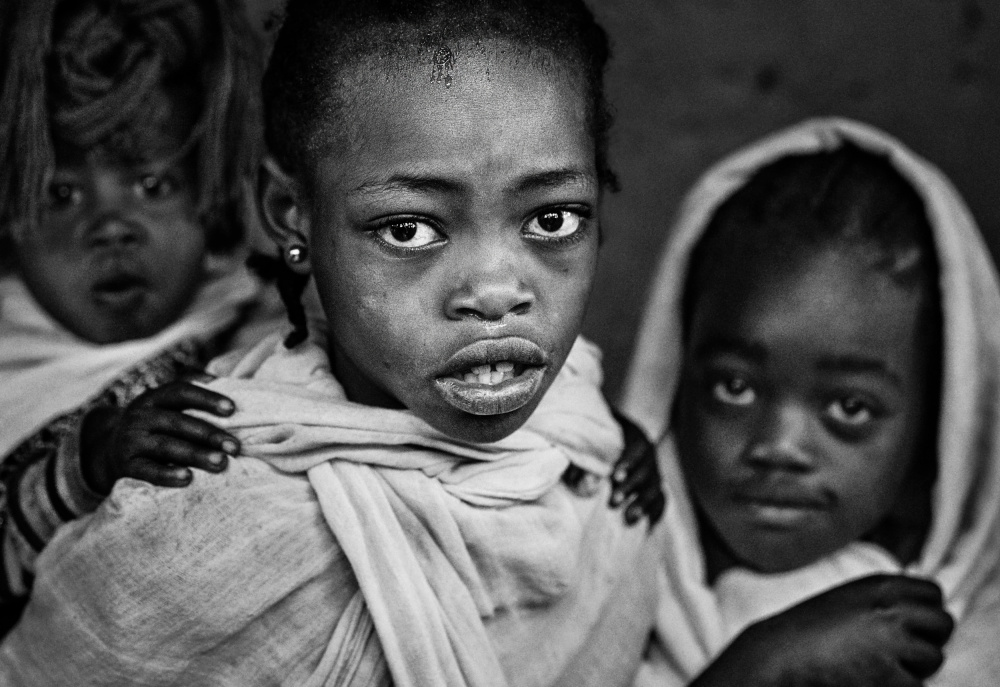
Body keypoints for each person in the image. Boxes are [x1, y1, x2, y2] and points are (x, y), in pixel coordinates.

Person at [0, 1, 664, 684]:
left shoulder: (590, 460)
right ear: (292, 217)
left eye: (551, 218)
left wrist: (605, 437)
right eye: (408, 229)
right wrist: (83, 463)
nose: (496, 292)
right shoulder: (197, 513)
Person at [622, 117, 1000, 686]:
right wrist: (756, 671)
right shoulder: (585, 582)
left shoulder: (982, 637)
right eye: (735, 387)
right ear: (675, 376)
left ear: (940, 427)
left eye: (850, 407)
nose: (778, 446)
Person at [0, 0, 277, 629]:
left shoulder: (267, 321)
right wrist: (87, 466)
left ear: (211, 202)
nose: (110, 228)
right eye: (60, 194)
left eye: (154, 187)